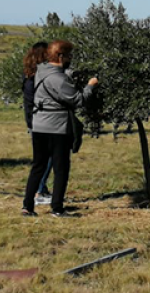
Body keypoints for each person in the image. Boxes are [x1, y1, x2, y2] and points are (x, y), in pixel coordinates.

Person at [22, 40, 98, 217]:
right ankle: (57, 208)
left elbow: (58, 77)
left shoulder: (40, 70)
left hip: (39, 125)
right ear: (61, 56)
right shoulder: (59, 78)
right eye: (69, 55)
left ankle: (27, 206)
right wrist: (90, 86)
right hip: (57, 127)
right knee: (61, 168)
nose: (71, 58)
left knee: (38, 166)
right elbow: (79, 100)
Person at [21, 42, 53, 205]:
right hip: (40, 120)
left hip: (33, 120)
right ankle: (38, 192)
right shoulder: (38, 76)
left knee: (43, 158)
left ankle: (41, 189)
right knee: (45, 159)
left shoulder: (28, 74)